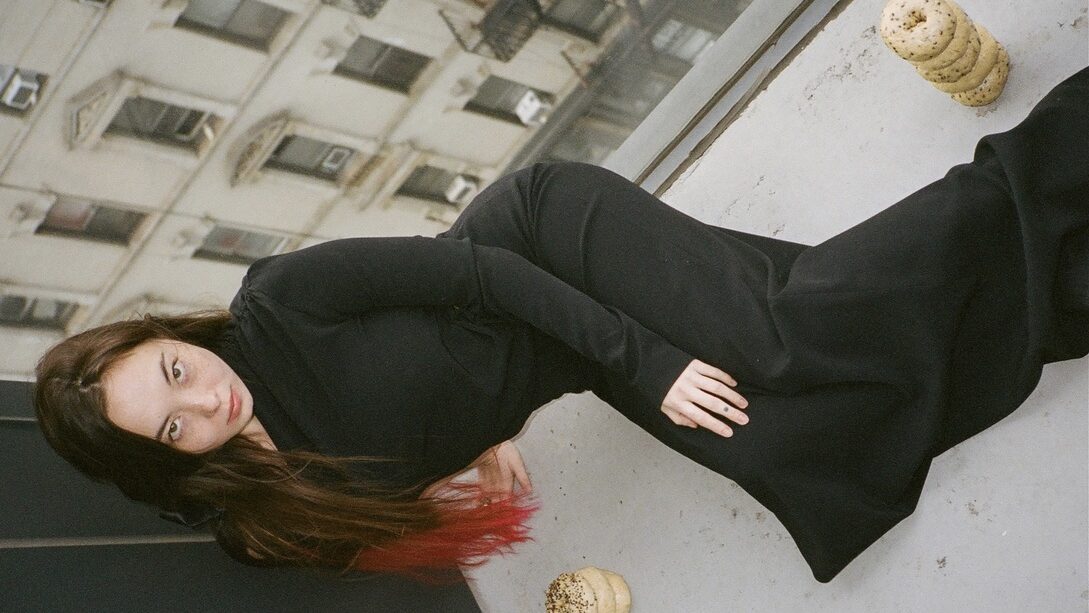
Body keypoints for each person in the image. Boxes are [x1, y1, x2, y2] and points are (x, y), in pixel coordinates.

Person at [33, 67, 1087, 584]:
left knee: (781, 339)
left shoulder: (280, 300)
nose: (204, 398)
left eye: (175, 370)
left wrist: (656, 360)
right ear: (170, 468)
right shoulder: (272, 520)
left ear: (173, 333)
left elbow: (482, 274)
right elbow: (402, 407)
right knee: (798, 446)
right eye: (173, 427)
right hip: (566, 346)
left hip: (553, 245)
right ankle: (1064, 277)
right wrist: (473, 419)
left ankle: (1058, 160)